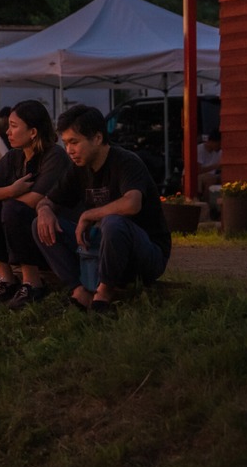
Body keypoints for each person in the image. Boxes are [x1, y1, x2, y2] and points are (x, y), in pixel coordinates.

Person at [33, 105, 171, 312]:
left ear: (97, 138)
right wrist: (44, 210)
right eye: (66, 143)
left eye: (74, 142)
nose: (69, 150)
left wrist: (89, 214)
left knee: (113, 222)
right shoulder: (78, 168)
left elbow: (132, 203)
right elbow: (48, 200)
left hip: (144, 253)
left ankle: (104, 294)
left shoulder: (126, 162)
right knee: (39, 224)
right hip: (101, 248)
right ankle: (80, 291)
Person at [0, 100, 71, 310]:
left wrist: (5, 200)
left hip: (53, 234)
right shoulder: (13, 157)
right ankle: (7, 280)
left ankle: (32, 283)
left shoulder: (54, 156)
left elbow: (36, 199)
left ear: (33, 132)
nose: (7, 132)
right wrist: (10, 191)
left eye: (14, 126)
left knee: (12, 209)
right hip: (22, 232)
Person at [197, 129, 222, 199]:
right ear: (212, 142)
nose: (220, 146)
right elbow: (197, 170)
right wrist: (215, 166)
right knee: (211, 179)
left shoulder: (219, 152)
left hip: (212, 175)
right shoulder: (199, 150)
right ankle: (206, 202)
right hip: (197, 176)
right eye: (219, 144)